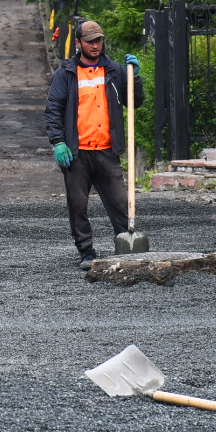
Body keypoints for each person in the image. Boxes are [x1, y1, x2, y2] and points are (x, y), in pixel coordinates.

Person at [44, 19, 144, 270]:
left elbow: (135, 102)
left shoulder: (115, 71)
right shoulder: (66, 74)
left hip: (107, 152)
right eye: (89, 42)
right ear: (78, 44)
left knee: (121, 204)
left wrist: (136, 77)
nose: (95, 45)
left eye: (98, 40)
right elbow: (53, 109)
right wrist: (58, 142)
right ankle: (86, 251)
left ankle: (125, 246)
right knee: (78, 206)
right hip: (77, 154)